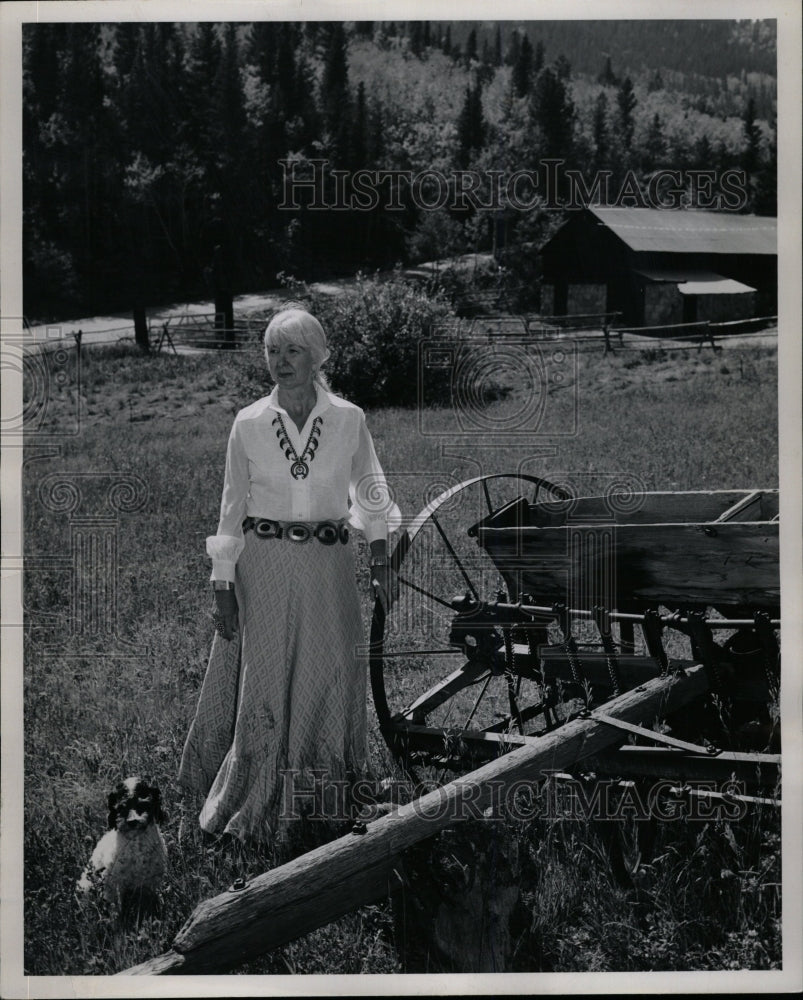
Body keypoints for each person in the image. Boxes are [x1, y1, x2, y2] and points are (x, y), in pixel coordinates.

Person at [178, 308, 399, 845]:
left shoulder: (349, 418)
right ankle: (253, 789)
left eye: (293, 350)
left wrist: (380, 556)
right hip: (265, 563)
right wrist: (222, 583)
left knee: (328, 669)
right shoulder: (249, 423)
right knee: (267, 675)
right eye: (273, 351)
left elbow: (370, 489)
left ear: (318, 355)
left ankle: (324, 792)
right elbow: (231, 509)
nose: (281, 362)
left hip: (327, 565)